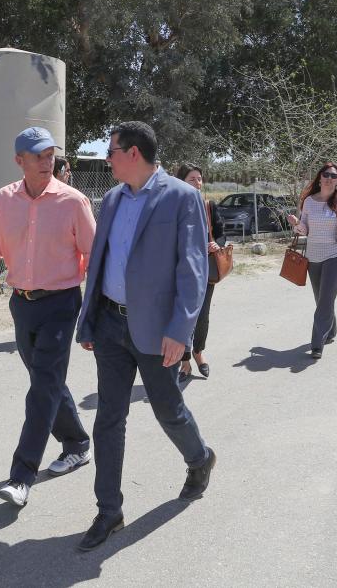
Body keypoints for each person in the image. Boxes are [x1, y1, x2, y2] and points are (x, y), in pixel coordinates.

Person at [75, 121, 216, 552]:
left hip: (157, 331)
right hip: (111, 325)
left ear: (132, 153)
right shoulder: (113, 198)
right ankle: (108, 511)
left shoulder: (181, 196)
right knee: (109, 419)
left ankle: (200, 458)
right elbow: (100, 261)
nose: (107, 158)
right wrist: (90, 319)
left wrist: (180, 331)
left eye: (112, 151)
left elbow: (193, 269)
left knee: (168, 409)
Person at [0, 126, 96, 508]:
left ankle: (22, 475)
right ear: (19, 160)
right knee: (47, 381)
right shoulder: (3, 200)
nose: (47, 161)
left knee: (42, 386)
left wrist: (93, 311)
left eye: (51, 154)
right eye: (38, 156)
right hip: (21, 304)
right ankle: (76, 443)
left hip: (61, 304)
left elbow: (95, 258)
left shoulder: (74, 202)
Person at [287, 163, 337, 359]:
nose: (329, 178)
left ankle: (317, 343)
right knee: (321, 298)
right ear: (319, 178)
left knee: (326, 298)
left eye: (334, 176)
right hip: (313, 257)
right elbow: (305, 229)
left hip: (336, 255)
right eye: (326, 174)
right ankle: (332, 329)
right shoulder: (309, 201)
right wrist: (297, 225)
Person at [174, 162, 223, 382]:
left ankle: (198, 352)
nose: (197, 182)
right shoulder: (173, 207)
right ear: (181, 182)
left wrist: (216, 244)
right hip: (180, 272)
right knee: (184, 317)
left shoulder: (208, 206)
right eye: (192, 179)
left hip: (206, 272)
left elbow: (221, 233)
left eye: (200, 178)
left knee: (202, 317)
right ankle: (185, 362)